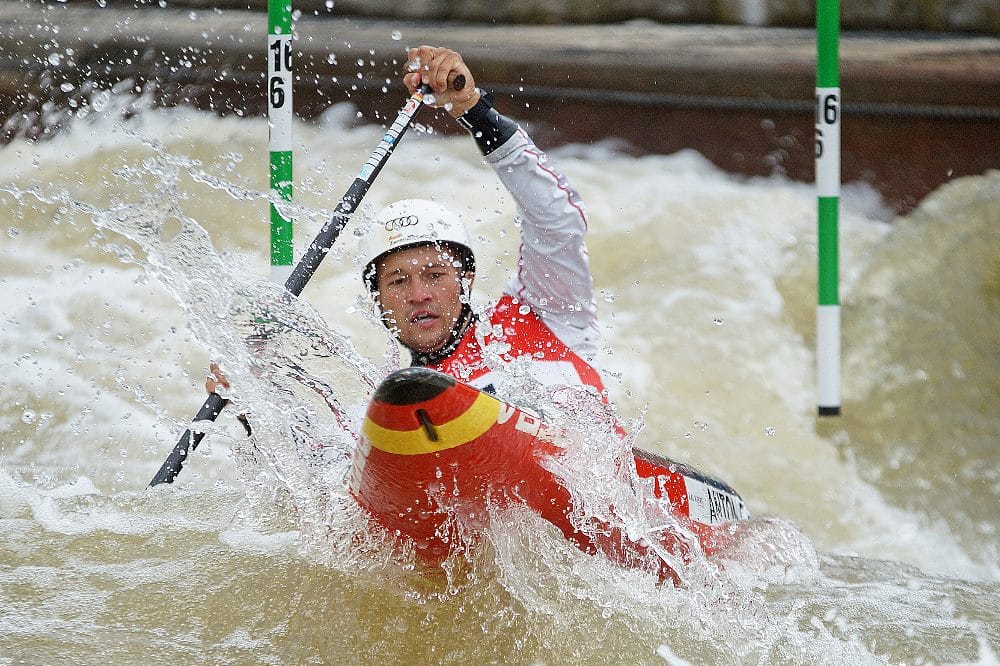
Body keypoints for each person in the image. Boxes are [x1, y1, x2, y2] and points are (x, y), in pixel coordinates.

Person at [353, 45, 606, 401]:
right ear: (377, 302)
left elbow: (558, 219)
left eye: (435, 275)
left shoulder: (543, 313)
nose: (418, 295)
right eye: (397, 282)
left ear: (465, 280)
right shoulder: (388, 406)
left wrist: (472, 108)